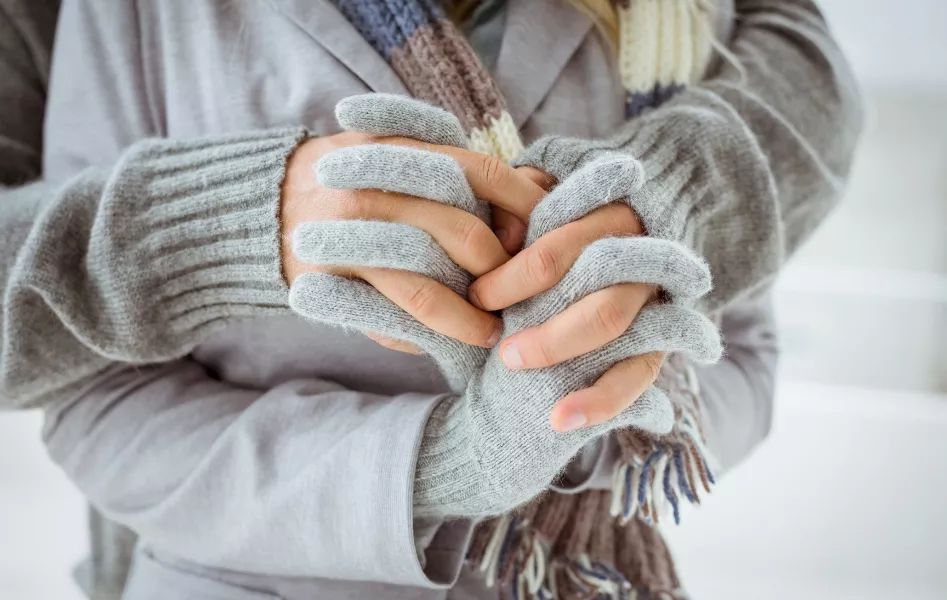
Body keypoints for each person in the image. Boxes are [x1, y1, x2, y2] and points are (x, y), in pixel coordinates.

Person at [0, 0, 862, 598]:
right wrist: (449, 461)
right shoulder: (141, 18)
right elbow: (97, 401)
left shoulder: (672, 24)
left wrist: (580, 423)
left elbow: (739, 348)